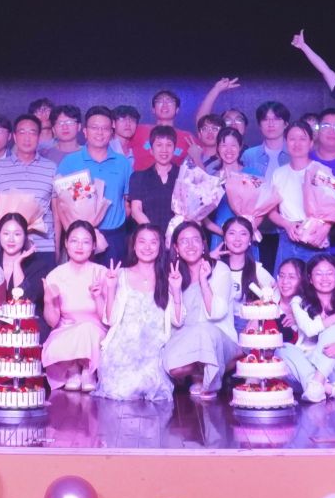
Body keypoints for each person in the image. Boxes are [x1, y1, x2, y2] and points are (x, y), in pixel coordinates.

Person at [96, 223, 181, 400]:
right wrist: (110, 287)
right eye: (142, 242)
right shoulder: (120, 274)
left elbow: (178, 321)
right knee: (121, 393)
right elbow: (110, 320)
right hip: (123, 350)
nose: (147, 247)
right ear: (134, 246)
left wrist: (176, 290)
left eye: (153, 242)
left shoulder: (168, 276)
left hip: (155, 350)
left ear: (160, 246)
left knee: (155, 393)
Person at [0, 212, 55, 380]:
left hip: (28, 327)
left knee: (21, 343)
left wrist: (17, 264)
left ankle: (19, 384)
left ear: (25, 237)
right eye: (6, 233)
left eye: (17, 234)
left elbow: (25, 299)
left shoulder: (39, 266)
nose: (11, 239)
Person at [163, 221, 236, 398]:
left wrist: (204, 281)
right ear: (176, 248)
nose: (190, 245)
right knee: (171, 366)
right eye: (184, 241)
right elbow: (176, 322)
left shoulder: (220, 269)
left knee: (203, 330)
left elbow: (216, 313)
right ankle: (203, 369)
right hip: (187, 338)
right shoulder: (174, 274)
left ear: (204, 245)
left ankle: (210, 379)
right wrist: (176, 291)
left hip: (218, 337)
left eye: (195, 240)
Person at [57, 107, 136, 261]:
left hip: (115, 237)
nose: (100, 133)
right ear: (85, 131)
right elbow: (61, 204)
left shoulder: (123, 163)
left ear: (111, 132)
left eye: (105, 128)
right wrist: (72, 233)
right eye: (94, 127)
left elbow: (128, 202)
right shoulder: (70, 162)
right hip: (80, 238)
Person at [42, 221, 110, 391]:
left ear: (93, 246)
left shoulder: (102, 273)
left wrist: (97, 297)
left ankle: (88, 369)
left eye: (86, 242)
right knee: (58, 342)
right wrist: (49, 300)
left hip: (96, 331)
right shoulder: (55, 275)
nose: (79, 246)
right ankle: (72, 368)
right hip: (66, 330)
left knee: (88, 330)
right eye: (74, 241)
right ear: (66, 243)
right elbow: (52, 322)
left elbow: (108, 319)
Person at [0, 113, 57, 256]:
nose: (27, 138)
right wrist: (5, 233)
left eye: (32, 133)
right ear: (15, 137)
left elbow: (56, 210)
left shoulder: (51, 168)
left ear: (39, 137)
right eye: (22, 132)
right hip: (10, 246)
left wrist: (58, 247)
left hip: (44, 246)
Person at [268, 120, 335, 267]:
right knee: (286, 279)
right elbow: (271, 212)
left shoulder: (321, 171)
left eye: (302, 139)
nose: (297, 143)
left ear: (311, 143)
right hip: (288, 236)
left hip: (316, 236)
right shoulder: (278, 174)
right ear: (286, 143)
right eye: (292, 139)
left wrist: (325, 228)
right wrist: (287, 225)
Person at [285, 255, 335, 402]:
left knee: (334, 330)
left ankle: (315, 386)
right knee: (283, 348)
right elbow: (309, 329)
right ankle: (325, 388)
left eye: (329, 273)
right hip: (305, 365)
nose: (325, 278)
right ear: (310, 279)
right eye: (319, 274)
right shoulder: (298, 302)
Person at [124, 124, 183, 233]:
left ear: (174, 149)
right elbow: (136, 211)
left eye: (169, 145)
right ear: (151, 149)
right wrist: (155, 235)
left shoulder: (185, 176)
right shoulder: (138, 177)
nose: (164, 150)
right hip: (149, 237)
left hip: (178, 236)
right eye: (159, 145)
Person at [242, 101, 291, 178]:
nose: (271, 124)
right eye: (265, 119)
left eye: (276, 119)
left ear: (286, 124)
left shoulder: (295, 153)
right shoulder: (249, 155)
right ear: (259, 125)